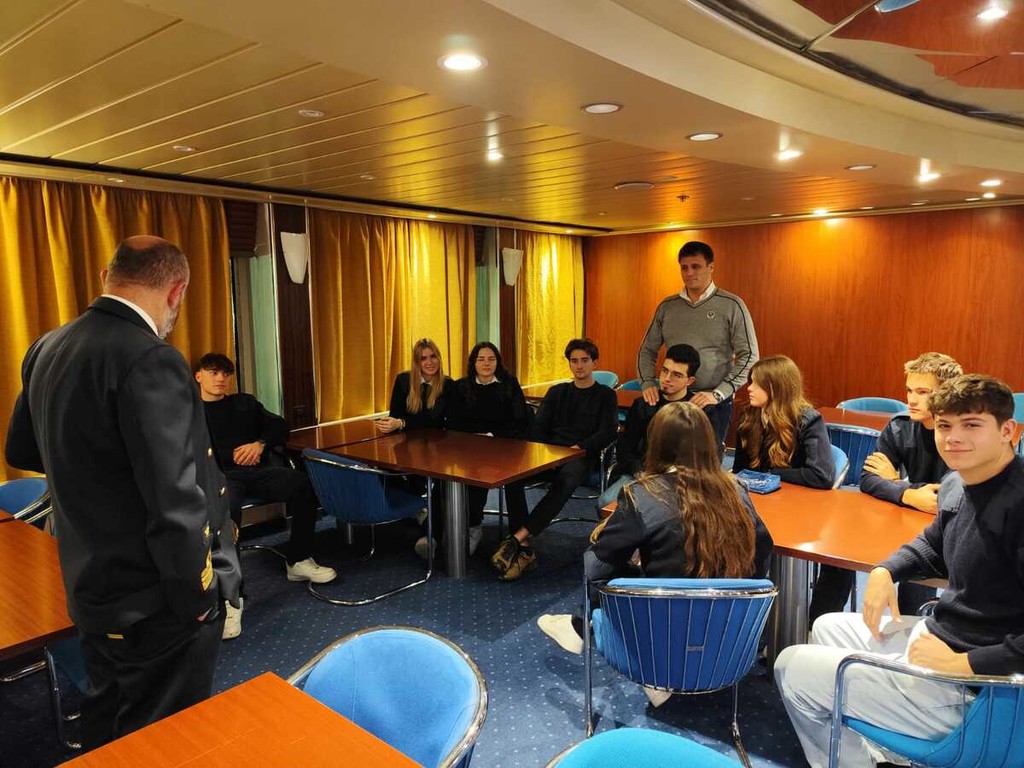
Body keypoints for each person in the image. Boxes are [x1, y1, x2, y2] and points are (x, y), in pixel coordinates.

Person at [4, 236, 240, 750]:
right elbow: (175, 504)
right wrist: (199, 600)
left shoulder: (47, 346)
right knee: (165, 738)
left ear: (106, 279)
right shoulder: (151, 358)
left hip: (89, 582)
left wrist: (93, 476)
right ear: (176, 291)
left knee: (107, 715)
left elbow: (21, 449)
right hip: (153, 599)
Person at [775, 374, 1024, 768]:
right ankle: (884, 753)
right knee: (826, 626)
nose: (953, 438)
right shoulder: (957, 482)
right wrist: (884, 572)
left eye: (971, 425)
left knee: (791, 666)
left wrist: (963, 665)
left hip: (982, 689)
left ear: (1008, 431)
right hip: (943, 637)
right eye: (945, 425)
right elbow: (931, 546)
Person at [538, 401, 774, 704]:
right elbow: (762, 553)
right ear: (709, 442)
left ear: (657, 444)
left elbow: (595, 568)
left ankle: (583, 627)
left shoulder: (643, 495)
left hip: (660, 636)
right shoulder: (737, 490)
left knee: (609, 566)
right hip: (727, 642)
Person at [194, 352, 336, 639]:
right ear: (198, 376)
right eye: (213, 372)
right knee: (225, 510)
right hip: (222, 477)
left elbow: (279, 425)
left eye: (225, 374)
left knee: (302, 484)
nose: (220, 379)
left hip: (257, 472)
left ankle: (298, 560)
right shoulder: (191, 411)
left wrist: (258, 444)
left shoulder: (244, 403)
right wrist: (231, 455)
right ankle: (232, 597)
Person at [833, 352, 962, 619]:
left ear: (947, 394)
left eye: (922, 392)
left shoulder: (963, 434)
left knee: (915, 571)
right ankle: (815, 626)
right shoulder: (900, 426)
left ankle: (907, 630)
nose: (911, 400)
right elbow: (868, 479)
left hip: (949, 533)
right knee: (838, 547)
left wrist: (896, 482)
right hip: (902, 518)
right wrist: (909, 493)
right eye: (909, 390)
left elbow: (948, 498)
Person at [490, 338, 618, 581]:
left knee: (566, 480)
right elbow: (538, 427)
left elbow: (608, 431)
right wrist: (547, 452)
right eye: (574, 361)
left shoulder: (605, 395)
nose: (579, 366)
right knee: (513, 477)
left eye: (584, 360)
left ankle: (516, 539)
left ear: (594, 363)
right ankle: (523, 546)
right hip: (551, 454)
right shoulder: (558, 392)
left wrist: (579, 447)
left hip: (582, 455)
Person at [637, 240, 759, 453]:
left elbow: (750, 355)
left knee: (706, 461)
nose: (689, 273)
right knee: (663, 455)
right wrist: (647, 382)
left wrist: (719, 393)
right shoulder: (667, 306)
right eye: (684, 267)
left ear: (711, 267)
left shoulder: (732, 305)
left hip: (713, 401)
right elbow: (647, 350)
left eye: (696, 266)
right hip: (672, 397)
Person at [445, 342, 531, 558]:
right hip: (471, 449)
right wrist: (478, 437)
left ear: (497, 362)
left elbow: (520, 420)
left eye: (491, 359)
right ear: (473, 363)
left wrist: (492, 435)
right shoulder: (461, 387)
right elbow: (453, 423)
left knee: (514, 481)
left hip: (505, 448)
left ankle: (519, 537)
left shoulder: (509, 384)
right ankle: (472, 527)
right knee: (470, 477)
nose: (486, 363)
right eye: (481, 359)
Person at [374, 338, 454, 558]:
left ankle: (429, 534)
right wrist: (392, 424)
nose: (429, 362)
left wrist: (402, 423)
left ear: (439, 358)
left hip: (437, 450)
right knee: (379, 470)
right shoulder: (403, 380)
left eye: (433, 356)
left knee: (441, 483)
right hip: (406, 447)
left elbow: (433, 420)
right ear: (416, 362)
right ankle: (414, 507)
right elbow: (395, 414)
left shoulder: (447, 385)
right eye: (423, 358)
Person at [597, 343, 701, 508]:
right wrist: (639, 472)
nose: (667, 379)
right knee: (605, 503)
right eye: (664, 371)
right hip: (641, 473)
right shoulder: (643, 404)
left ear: (690, 380)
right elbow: (625, 447)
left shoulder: (699, 410)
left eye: (676, 375)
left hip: (681, 480)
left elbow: (704, 457)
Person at [732, 355, 835, 489]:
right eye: (751, 382)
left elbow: (822, 476)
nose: (749, 388)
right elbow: (739, 470)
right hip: (756, 493)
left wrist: (771, 473)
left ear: (776, 388)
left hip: (794, 494)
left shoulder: (808, 421)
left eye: (757, 383)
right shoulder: (748, 417)